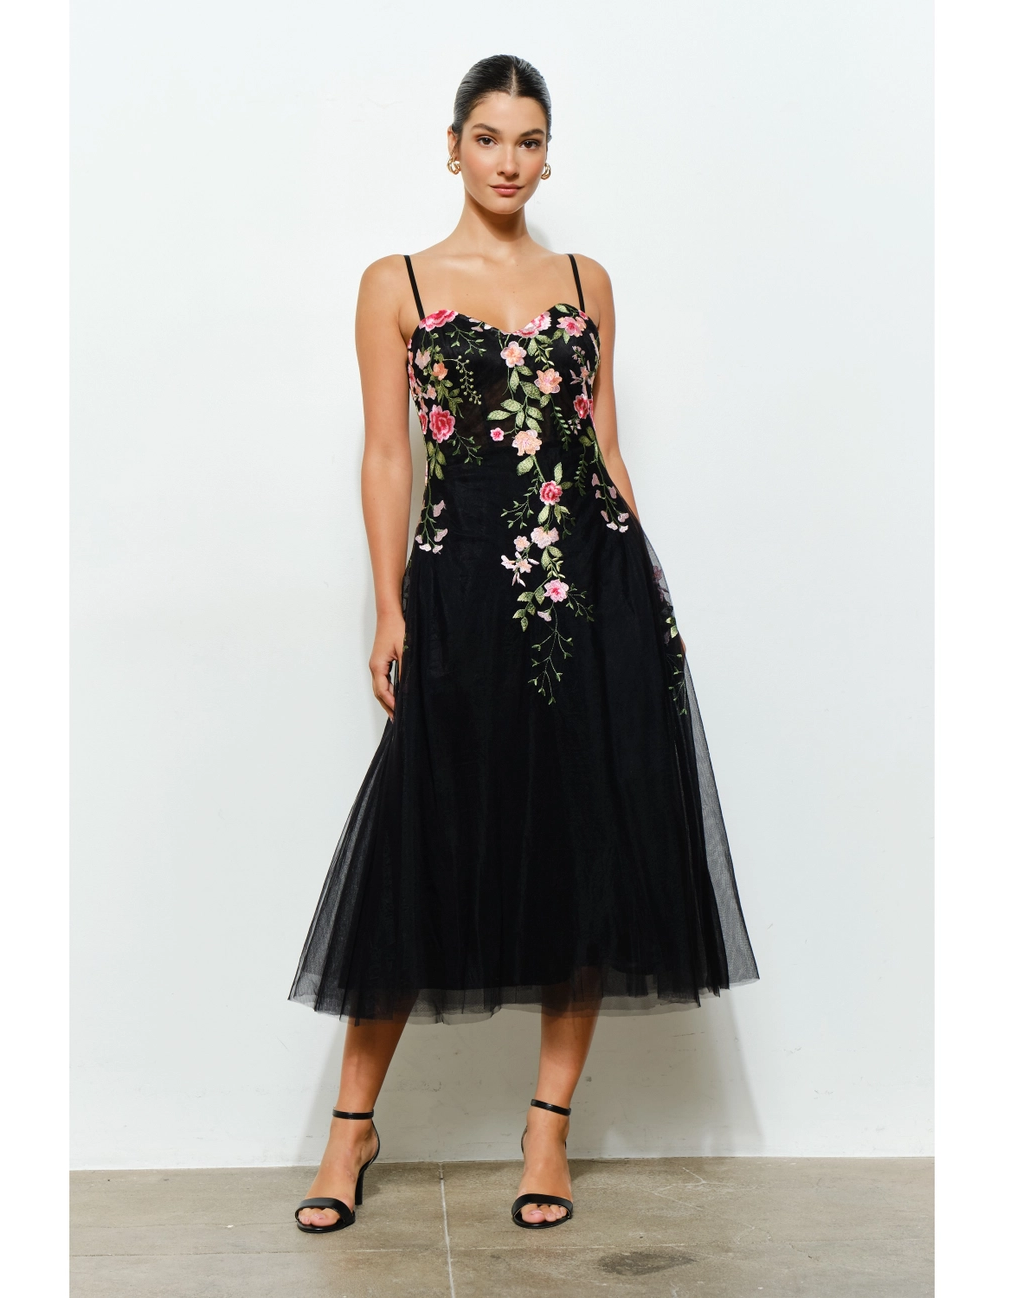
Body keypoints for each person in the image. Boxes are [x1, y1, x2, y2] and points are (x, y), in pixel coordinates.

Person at [290, 54, 759, 1234]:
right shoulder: (395, 282)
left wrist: (648, 594)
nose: (508, 161)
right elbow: (386, 455)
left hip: (594, 587)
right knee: (421, 842)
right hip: (458, 591)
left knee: (584, 845)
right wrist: (391, 606)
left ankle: (546, 1126)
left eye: (530, 140)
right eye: (489, 137)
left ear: (549, 156)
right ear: (451, 145)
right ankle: (350, 1130)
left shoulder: (586, 281)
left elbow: (602, 450)